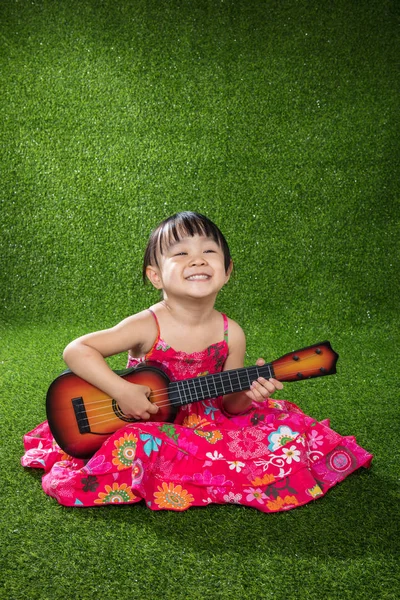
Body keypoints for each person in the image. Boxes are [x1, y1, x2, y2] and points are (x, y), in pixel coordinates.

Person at [22, 212, 372, 511]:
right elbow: (77, 350)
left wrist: (250, 394)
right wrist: (123, 392)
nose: (198, 259)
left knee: (288, 430)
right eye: (180, 253)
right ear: (155, 276)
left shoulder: (230, 333)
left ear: (227, 270)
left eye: (209, 251)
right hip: (147, 423)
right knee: (144, 441)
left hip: (205, 422)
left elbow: (231, 405)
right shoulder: (148, 324)